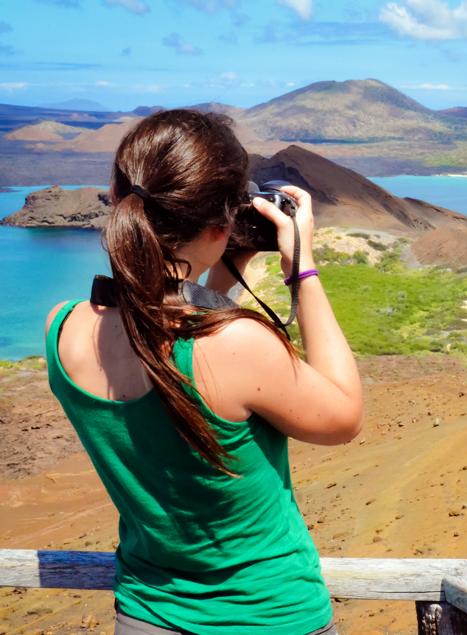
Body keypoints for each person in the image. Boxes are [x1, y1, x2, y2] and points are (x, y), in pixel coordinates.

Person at [43, 109, 363, 635]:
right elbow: (343, 418)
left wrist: (224, 267)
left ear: (119, 196)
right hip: (268, 616)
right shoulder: (238, 344)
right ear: (222, 224)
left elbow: (168, 337)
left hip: (146, 615)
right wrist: (302, 269)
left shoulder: (63, 329)